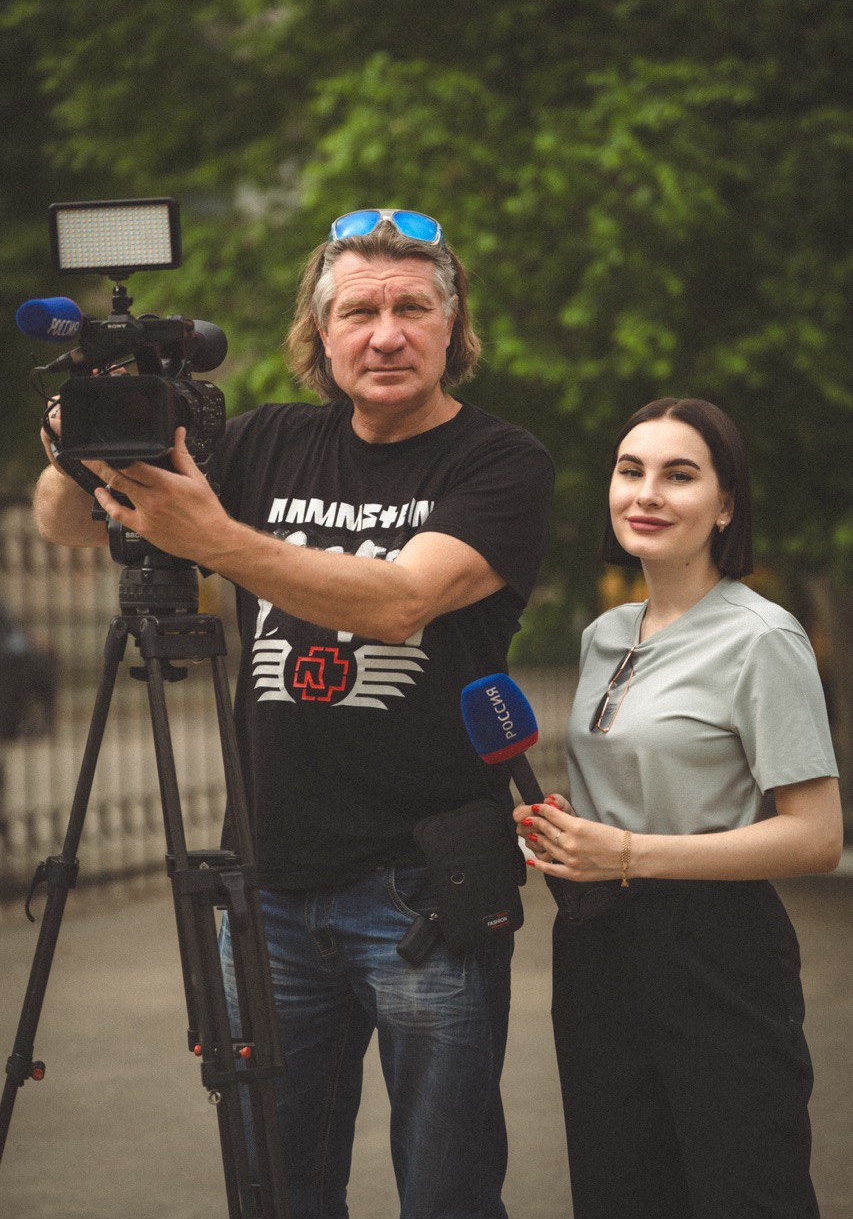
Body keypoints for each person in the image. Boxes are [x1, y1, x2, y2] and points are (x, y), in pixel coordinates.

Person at [34, 208, 555, 1219]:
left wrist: (220, 540)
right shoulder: (270, 437)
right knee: (277, 1180)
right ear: (320, 335)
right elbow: (74, 529)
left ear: (453, 330)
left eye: (413, 307)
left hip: (423, 888)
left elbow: (401, 599)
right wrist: (74, 447)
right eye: (358, 310)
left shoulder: (500, 462)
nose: (386, 333)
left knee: (447, 1189)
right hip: (264, 880)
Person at [513, 397, 842, 1219]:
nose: (646, 493)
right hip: (596, 947)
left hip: (716, 948)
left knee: (742, 1191)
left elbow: (814, 836)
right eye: (630, 471)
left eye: (679, 475)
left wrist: (625, 852)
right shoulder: (603, 633)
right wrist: (571, 830)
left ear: (724, 505)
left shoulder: (762, 637)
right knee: (617, 1190)